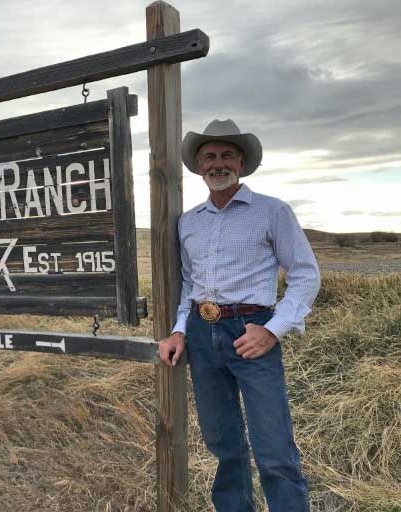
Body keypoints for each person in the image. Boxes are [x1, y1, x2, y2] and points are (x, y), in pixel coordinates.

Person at [158, 119, 320, 512]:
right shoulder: (188, 222)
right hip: (202, 332)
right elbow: (188, 286)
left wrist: (273, 330)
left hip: (252, 331)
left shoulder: (272, 211)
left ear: (242, 163)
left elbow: (305, 274)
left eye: (226, 155)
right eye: (209, 156)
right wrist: (180, 331)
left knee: (273, 445)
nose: (217, 163)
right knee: (222, 442)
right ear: (199, 167)